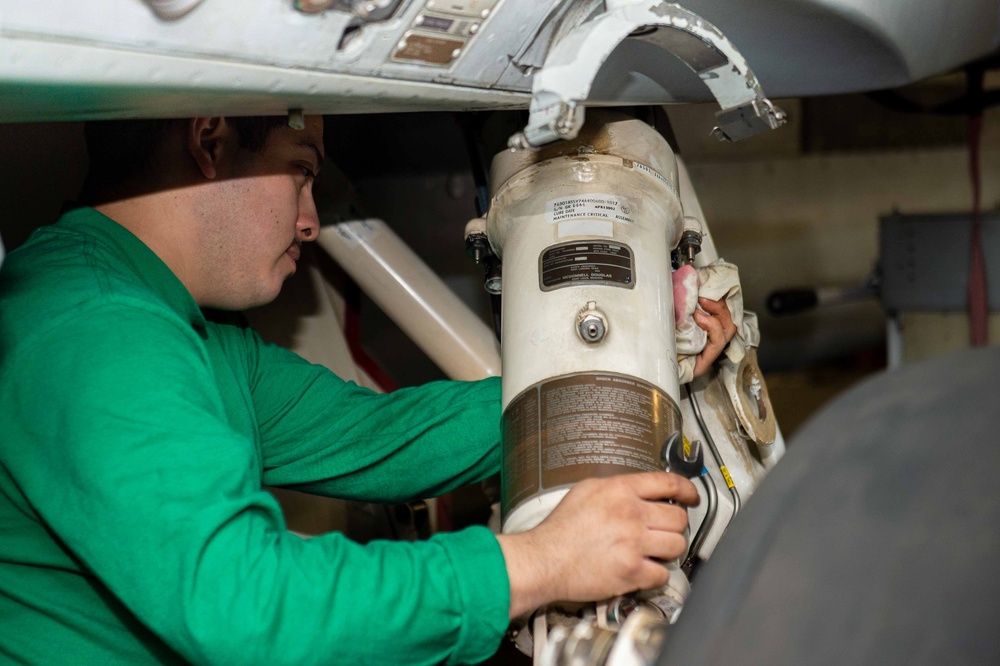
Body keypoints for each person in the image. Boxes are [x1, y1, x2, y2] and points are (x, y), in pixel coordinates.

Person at [0, 114, 728, 665]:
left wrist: (639, 367)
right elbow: (245, 604)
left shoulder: (180, 325)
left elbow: (381, 437)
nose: (311, 220)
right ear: (211, 140)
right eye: (301, 172)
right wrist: (539, 563)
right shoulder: (96, 330)